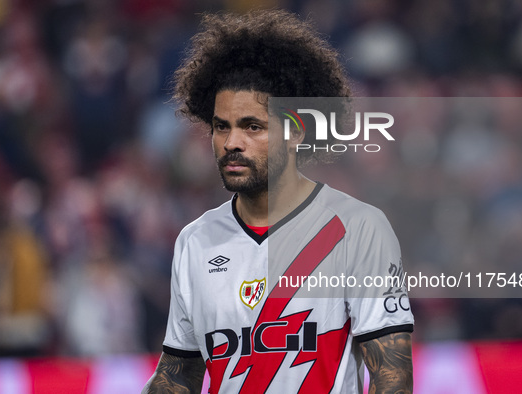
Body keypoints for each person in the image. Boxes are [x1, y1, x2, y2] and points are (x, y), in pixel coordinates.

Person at [143, 9, 413, 394]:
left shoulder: (359, 229)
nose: (232, 143)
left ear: (295, 133)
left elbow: (393, 378)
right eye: (222, 127)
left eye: (252, 126)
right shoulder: (195, 241)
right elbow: (179, 374)